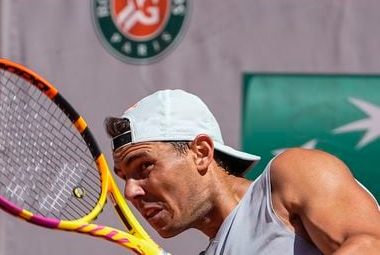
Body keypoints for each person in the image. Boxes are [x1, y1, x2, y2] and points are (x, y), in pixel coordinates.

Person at [105, 89, 380, 254]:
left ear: (201, 153)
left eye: (144, 166)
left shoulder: (294, 175)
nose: (130, 191)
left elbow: (371, 245)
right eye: (124, 177)